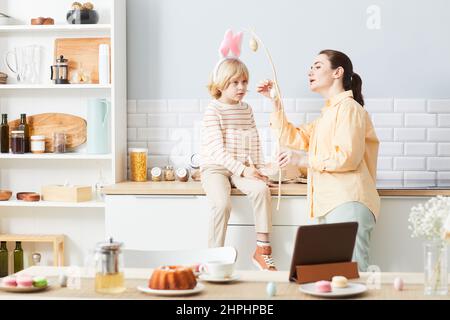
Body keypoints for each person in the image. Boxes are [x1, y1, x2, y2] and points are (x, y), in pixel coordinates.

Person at [257, 50, 380, 271]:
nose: (310, 71)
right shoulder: (327, 116)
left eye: (317, 66)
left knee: (352, 276)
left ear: (337, 72)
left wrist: (304, 158)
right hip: (330, 205)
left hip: (348, 202)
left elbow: (347, 158)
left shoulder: (350, 109)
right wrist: (275, 101)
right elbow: (291, 138)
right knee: (336, 279)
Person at [200, 57, 277, 271]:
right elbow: (217, 151)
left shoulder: (246, 109)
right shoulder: (213, 110)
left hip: (240, 168)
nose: (241, 87)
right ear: (221, 84)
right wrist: (244, 170)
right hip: (215, 167)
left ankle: (262, 251)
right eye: (235, 82)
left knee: (261, 189)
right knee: (222, 204)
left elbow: (254, 141)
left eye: (244, 82)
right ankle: (213, 258)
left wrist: (260, 171)